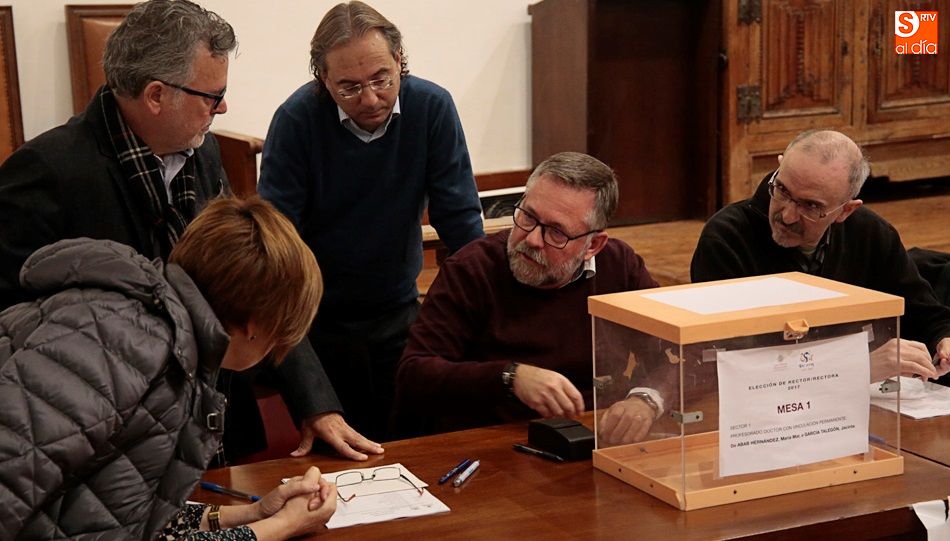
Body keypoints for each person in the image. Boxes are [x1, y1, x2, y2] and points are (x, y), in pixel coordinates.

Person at [0, 0, 375, 463]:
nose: (223, 107)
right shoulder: (46, 172)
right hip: (111, 442)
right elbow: (16, 324)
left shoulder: (205, 153)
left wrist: (315, 404)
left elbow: (253, 285)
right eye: (212, 95)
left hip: (210, 423)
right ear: (157, 95)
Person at [0, 196, 336, 540]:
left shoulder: (152, 337)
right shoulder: (131, 347)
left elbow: (119, 517)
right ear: (255, 326)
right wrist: (280, 527)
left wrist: (253, 514)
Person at [258, 1, 484, 442]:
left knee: (411, 442)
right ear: (322, 78)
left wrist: (477, 312)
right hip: (316, 318)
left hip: (397, 308)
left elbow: (460, 220)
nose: (370, 98)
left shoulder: (430, 108)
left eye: (382, 79)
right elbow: (277, 243)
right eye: (349, 87)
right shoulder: (296, 120)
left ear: (400, 59)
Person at [393, 152, 667, 444]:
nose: (532, 239)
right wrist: (510, 378)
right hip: (496, 442)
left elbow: (677, 353)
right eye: (527, 217)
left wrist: (646, 400)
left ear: (593, 245)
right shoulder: (473, 269)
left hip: (594, 434)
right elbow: (414, 374)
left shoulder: (619, 266)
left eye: (556, 232)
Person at [691, 129, 950, 383]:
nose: (787, 216)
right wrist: (859, 367)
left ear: (845, 211)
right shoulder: (726, 239)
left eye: (811, 206)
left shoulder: (871, 233)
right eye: (782, 190)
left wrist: (943, 339)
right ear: (779, 167)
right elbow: (731, 360)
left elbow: (924, 313)